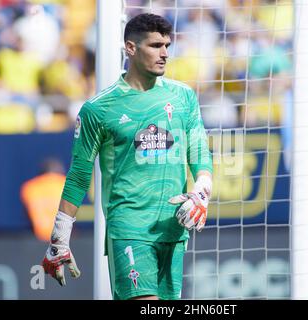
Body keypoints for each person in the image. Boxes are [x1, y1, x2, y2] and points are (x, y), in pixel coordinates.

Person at [41, 13, 213, 300]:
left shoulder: (184, 97)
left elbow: (199, 153)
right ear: (131, 48)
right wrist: (60, 236)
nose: (164, 54)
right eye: (155, 45)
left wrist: (202, 191)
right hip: (129, 226)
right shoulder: (98, 109)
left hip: (173, 227)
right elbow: (80, 175)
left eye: (167, 46)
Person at [20, 158, 66, 242]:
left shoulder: (29, 187)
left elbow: (26, 213)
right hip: (63, 237)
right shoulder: (65, 183)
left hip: (38, 237)